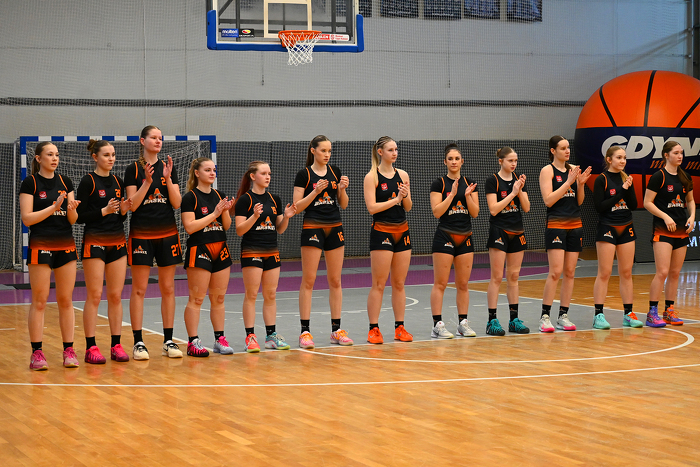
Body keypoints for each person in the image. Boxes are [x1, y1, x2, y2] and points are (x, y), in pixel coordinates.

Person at [20, 142, 81, 370]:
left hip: (65, 244)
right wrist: (53, 208)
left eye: (56, 155)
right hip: (41, 244)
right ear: (38, 159)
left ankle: (69, 350)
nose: (54, 158)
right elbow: (27, 218)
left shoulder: (66, 182)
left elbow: (72, 220)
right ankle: (37, 353)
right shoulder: (30, 183)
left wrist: (71, 209)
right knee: (40, 300)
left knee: (66, 300)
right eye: (49, 154)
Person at [124, 125, 183, 360]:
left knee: (168, 288)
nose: (158, 141)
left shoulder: (168, 168)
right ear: (142, 141)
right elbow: (133, 205)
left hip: (167, 233)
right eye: (154, 137)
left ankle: (168, 340)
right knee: (139, 289)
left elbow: (177, 203)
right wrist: (147, 183)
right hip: (142, 235)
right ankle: (138, 342)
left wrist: (167, 178)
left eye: (160, 138)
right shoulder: (133, 169)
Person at [293, 135, 353, 349]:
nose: (327, 155)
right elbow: (296, 207)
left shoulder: (335, 171)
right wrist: (315, 191)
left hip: (334, 226)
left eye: (329, 151)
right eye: (323, 150)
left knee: (335, 280)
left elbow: (343, 205)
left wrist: (342, 189)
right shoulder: (304, 175)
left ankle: (336, 330)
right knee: (309, 280)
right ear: (313, 151)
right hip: (313, 226)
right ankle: (305, 332)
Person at [76, 140, 132, 364]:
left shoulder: (118, 181)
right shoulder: (88, 181)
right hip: (95, 241)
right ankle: (91, 347)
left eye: (113, 155)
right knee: (95, 295)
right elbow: (79, 217)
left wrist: (123, 211)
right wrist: (104, 210)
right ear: (95, 157)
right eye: (106, 155)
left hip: (117, 241)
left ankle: (116, 345)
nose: (111, 159)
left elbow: (119, 217)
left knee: (116, 296)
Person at [234, 161, 297, 352]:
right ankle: (250, 337)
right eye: (263, 173)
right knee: (252, 294)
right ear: (253, 176)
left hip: (272, 251)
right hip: (252, 251)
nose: (268, 176)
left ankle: (271, 336)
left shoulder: (274, 199)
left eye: (269, 173)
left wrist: (286, 216)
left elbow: (280, 229)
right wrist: (254, 216)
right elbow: (239, 230)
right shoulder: (245, 200)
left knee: (270, 294)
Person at [181, 157, 234, 357]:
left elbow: (226, 226)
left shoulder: (220, 195)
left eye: (214, 170)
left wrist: (225, 211)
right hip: (200, 249)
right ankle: (193, 341)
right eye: (208, 170)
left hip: (221, 249)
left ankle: (220, 339)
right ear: (197, 173)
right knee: (197, 298)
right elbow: (190, 227)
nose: (212, 173)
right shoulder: (190, 198)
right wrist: (214, 213)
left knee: (219, 298)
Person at [538, 136, 591, 332]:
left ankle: (563, 315)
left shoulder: (574, 169)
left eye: (568, 147)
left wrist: (580, 184)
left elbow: (579, 201)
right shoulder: (547, 170)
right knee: (555, 272)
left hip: (575, 224)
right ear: (553, 151)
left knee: (570, 272)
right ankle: (545, 317)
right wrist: (568, 182)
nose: (567, 151)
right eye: (562, 148)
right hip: (556, 225)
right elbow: (548, 200)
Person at [363, 136, 413, 344]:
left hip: (402, 231)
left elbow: (408, 206)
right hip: (382, 231)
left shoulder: (402, 174)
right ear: (380, 152)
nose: (395, 153)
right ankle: (373, 329)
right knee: (379, 283)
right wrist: (395, 200)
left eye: (396, 149)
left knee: (399, 283)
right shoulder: (371, 177)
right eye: (391, 150)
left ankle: (399, 327)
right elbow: (372, 208)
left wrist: (405, 196)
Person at [643, 140, 695, 327]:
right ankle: (652, 313)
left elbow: (690, 200)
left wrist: (692, 217)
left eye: (681, 153)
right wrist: (665, 216)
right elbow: (647, 202)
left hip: (681, 229)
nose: (680, 156)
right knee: (662, 272)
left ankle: (669, 311)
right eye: (676, 153)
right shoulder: (659, 176)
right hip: (663, 229)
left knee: (675, 273)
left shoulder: (685, 176)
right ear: (666, 155)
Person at [429, 143, 479, 339]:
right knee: (440, 283)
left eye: (457, 158)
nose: (454, 162)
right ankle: (437, 325)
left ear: (462, 161)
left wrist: (467, 196)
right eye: (450, 159)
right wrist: (451, 194)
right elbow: (437, 212)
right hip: (445, 235)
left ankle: (463, 323)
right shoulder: (439, 183)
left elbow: (475, 213)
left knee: (463, 284)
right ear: (445, 162)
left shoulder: (470, 183)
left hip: (465, 236)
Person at [591, 146, 641, 329]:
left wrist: (627, 188)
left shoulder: (626, 178)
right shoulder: (601, 179)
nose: (623, 161)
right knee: (604, 273)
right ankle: (598, 315)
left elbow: (633, 205)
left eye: (624, 158)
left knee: (626, 272)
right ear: (609, 159)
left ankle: (628, 314)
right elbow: (600, 207)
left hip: (626, 226)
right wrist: (621, 190)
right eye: (619, 157)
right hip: (607, 227)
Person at [485, 146, 531, 335]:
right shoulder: (492, 181)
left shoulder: (519, 180)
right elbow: (494, 209)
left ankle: (514, 320)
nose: (513, 164)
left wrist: (519, 191)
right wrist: (512, 193)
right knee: (497, 277)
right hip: (499, 230)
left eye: (515, 161)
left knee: (514, 276)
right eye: (510, 160)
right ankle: (492, 321)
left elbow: (526, 208)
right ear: (501, 161)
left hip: (517, 230)